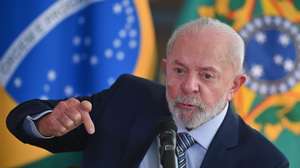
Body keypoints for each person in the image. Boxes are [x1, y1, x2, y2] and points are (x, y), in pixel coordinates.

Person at [7, 17, 289, 168]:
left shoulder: (264, 161)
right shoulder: (128, 99)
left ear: (234, 85)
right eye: (179, 71)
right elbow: (22, 118)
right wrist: (47, 124)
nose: (189, 86)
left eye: (206, 75)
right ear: (165, 68)